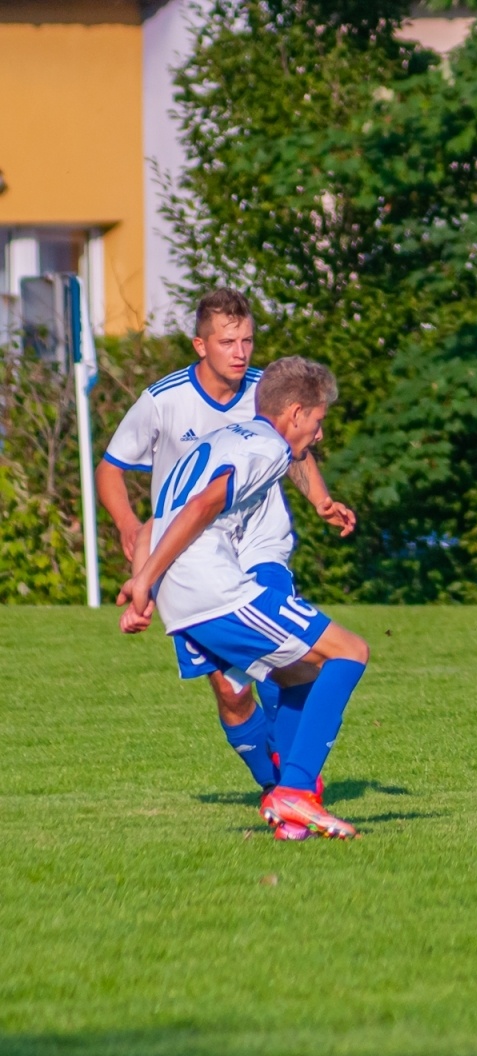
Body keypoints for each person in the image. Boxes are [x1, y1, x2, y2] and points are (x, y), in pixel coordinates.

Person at [97, 288, 355, 795]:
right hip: (189, 556)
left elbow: (293, 452)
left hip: (259, 545)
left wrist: (321, 500)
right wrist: (133, 531)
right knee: (232, 692)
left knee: (289, 662)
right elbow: (112, 470)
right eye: (228, 341)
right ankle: (278, 788)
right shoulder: (163, 400)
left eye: (248, 340)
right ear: (200, 345)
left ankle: (296, 791)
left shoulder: (268, 392)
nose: (240, 352)